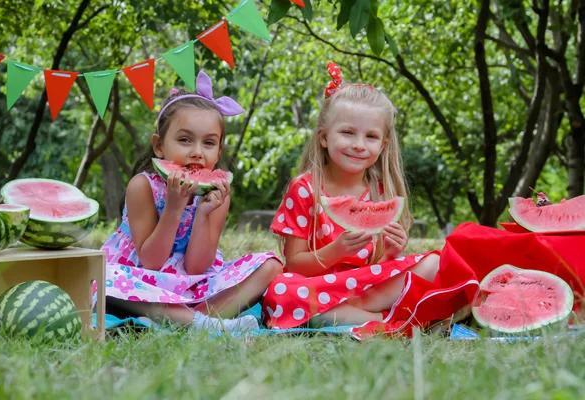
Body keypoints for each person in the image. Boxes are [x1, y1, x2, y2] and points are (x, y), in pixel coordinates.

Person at [262, 63, 478, 336]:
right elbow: (294, 264)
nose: (359, 145)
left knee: (434, 263)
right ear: (324, 138)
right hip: (318, 288)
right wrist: (336, 251)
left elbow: (376, 269)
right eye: (347, 132)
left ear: (383, 144)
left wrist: (390, 253)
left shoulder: (380, 190)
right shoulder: (305, 188)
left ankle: (363, 315)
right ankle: (390, 322)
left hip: (366, 290)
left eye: (371, 137)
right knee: (282, 292)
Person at [98, 71, 283, 332]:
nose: (197, 151)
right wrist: (174, 208)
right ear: (159, 146)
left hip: (193, 282)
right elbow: (151, 261)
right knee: (107, 278)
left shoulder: (217, 194)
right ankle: (205, 324)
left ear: (219, 151)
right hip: (142, 278)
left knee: (271, 265)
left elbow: (197, 266)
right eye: (184, 140)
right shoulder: (142, 186)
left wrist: (204, 213)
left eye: (208, 143)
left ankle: (192, 321)